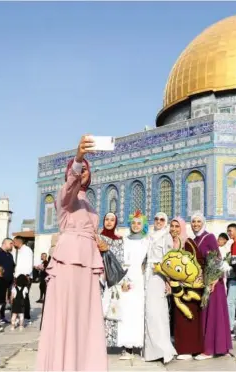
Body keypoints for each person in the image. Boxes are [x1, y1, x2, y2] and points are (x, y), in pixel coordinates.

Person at [36, 135, 108, 371]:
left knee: (85, 317)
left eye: (88, 168)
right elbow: (70, 186)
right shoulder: (65, 198)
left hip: (87, 262)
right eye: (81, 169)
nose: (84, 171)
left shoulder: (89, 203)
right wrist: (79, 158)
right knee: (68, 315)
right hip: (69, 262)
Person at [191, 213, 232, 359]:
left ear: (203, 223)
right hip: (203, 280)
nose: (195, 224)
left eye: (198, 222)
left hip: (213, 282)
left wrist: (215, 279)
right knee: (207, 313)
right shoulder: (195, 239)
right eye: (193, 222)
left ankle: (209, 350)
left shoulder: (209, 237)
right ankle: (219, 347)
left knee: (212, 314)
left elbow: (217, 258)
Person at [143, 212, 177, 363]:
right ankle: (152, 351)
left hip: (159, 276)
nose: (158, 221)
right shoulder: (150, 235)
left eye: (162, 219)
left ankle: (163, 349)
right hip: (148, 276)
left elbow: (169, 260)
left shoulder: (166, 237)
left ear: (166, 222)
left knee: (157, 312)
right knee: (149, 312)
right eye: (156, 219)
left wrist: (169, 281)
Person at [170, 217, 204, 360]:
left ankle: (190, 349)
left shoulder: (187, 243)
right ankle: (183, 347)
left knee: (188, 316)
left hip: (190, 286)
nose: (174, 229)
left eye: (177, 226)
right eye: (172, 226)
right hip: (176, 286)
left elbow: (199, 262)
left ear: (182, 228)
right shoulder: (171, 243)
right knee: (179, 317)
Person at [117, 212, 148, 360]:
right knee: (126, 311)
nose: (136, 226)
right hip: (126, 279)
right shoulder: (124, 240)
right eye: (134, 223)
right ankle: (127, 347)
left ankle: (139, 344)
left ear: (143, 225)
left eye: (139, 223)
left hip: (140, 279)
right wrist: (123, 281)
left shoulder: (146, 241)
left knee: (139, 311)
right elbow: (120, 261)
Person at [98, 212, 126, 349]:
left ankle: (109, 342)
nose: (109, 222)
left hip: (113, 280)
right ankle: (96, 341)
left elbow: (121, 259)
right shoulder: (97, 238)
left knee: (111, 308)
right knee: (99, 309)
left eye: (112, 220)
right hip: (99, 280)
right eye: (107, 219)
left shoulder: (119, 240)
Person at [13, 236, 34, 323]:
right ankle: (21, 314)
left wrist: (27, 275)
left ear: (19, 241)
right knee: (19, 296)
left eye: (14, 242)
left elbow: (29, 263)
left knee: (23, 296)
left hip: (24, 277)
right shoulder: (19, 250)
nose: (13, 243)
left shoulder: (27, 250)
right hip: (18, 276)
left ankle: (25, 315)